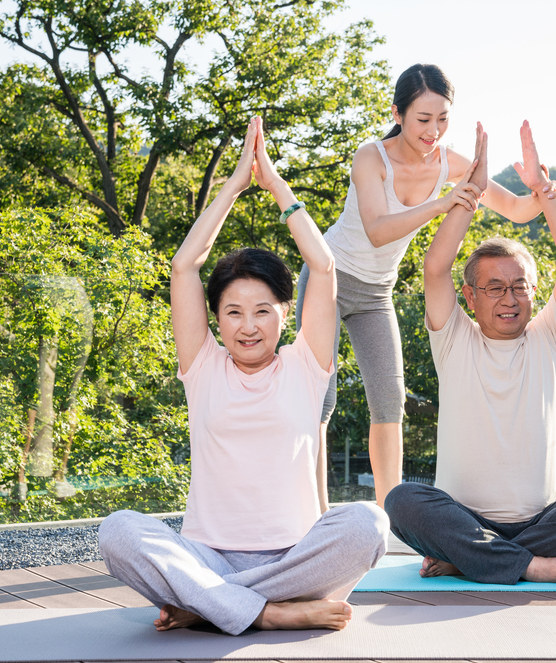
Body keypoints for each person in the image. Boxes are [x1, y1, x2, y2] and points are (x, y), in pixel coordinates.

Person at [99, 117, 389, 636]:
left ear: (285, 312)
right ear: (216, 319)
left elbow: (323, 267)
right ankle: (267, 613)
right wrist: (234, 185)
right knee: (118, 531)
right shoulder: (203, 364)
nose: (248, 326)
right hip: (209, 558)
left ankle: (212, 607)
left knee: (369, 523)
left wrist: (276, 185)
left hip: (295, 563)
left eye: (262, 311)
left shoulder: (307, 365)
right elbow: (184, 267)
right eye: (233, 312)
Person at [296, 64, 556, 508]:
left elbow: (518, 210)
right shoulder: (371, 157)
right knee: (318, 400)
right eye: (423, 119)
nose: (434, 130)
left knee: (389, 402)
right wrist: (444, 202)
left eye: (443, 119)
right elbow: (378, 229)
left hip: (376, 292)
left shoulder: (449, 163)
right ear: (398, 114)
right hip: (328, 277)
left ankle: (389, 514)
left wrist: (540, 185)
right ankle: (315, 515)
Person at [384, 121, 556, 586]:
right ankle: (535, 566)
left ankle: (478, 561)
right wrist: (473, 191)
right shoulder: (454, 338)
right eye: (495, 287)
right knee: (402, 502)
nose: (508, 298)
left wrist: (545, 193)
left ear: (534, 291)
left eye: (519, 286)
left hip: (545, 522)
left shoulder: (550, 338)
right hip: (465, 520)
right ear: (470, 296)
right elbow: (434, 266)